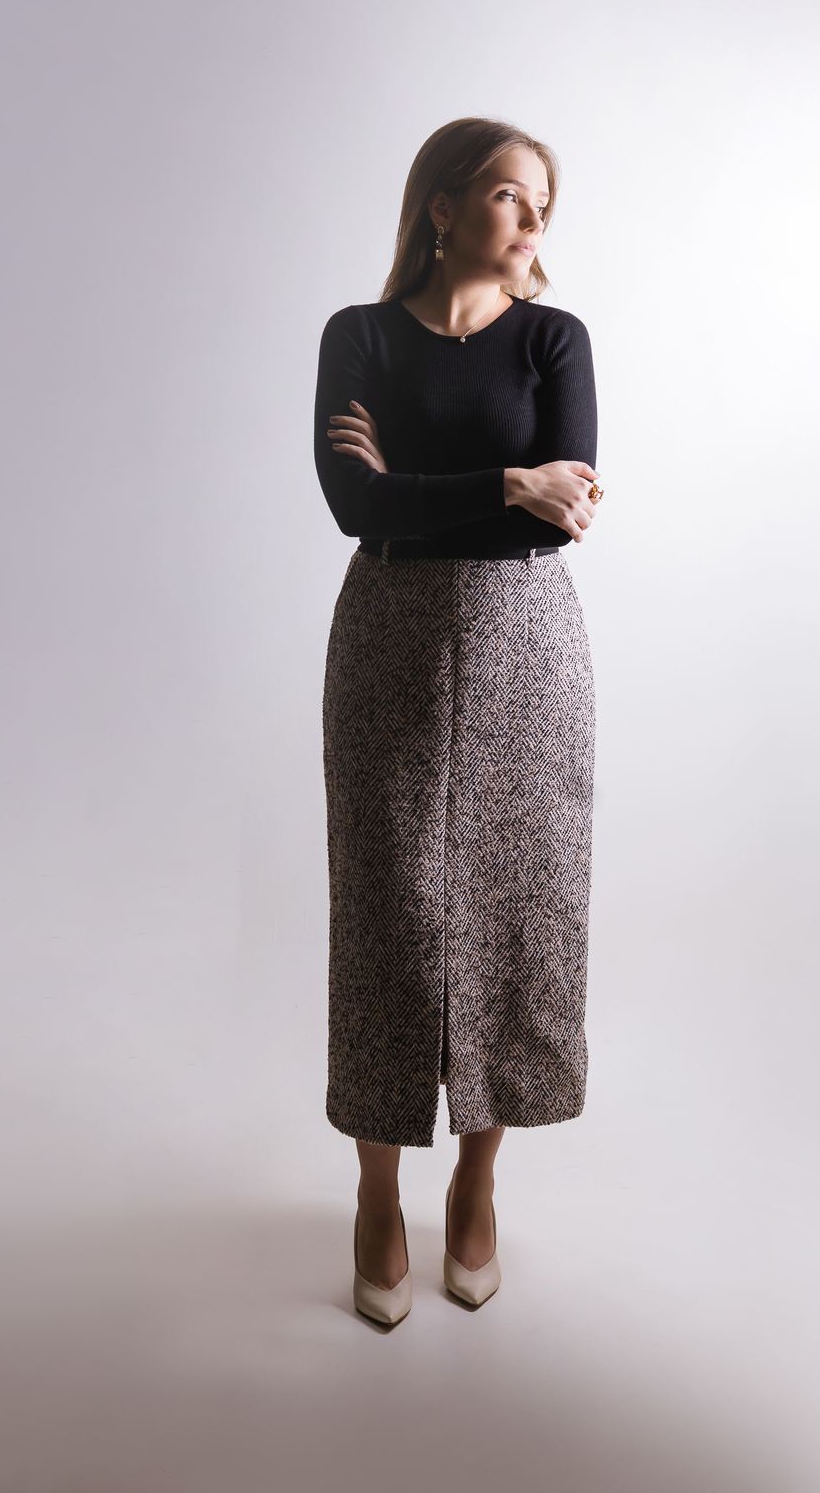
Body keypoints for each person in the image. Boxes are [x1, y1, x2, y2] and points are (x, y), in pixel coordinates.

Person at [313, 117, 600, 1326]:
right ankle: (378, 1188)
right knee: (387, 908)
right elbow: (352, 503)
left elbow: (565, 508)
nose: (531, 220)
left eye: (541, 203)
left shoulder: (554, 340)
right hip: (387, 633)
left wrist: (431, 491)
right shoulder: (361, 337)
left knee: (517, 905)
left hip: (528, 640)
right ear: (441, 207)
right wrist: (501, 482)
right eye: (507, 195)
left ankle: (479, 1179)